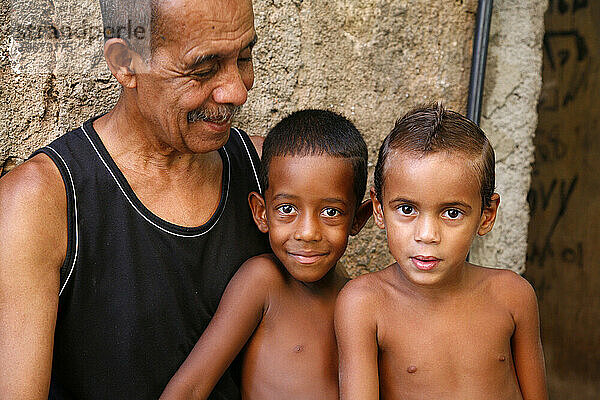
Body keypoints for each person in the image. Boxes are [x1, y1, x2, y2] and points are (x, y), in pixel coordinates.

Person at [0, 0, 272, 398]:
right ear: (126, 61)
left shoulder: (274, 179)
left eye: (244, 56)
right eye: (203, 69)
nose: (237, 90)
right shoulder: (39, 203)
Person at [334, 103, 548, 400]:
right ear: (379, 210)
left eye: (451, 213)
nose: (427, 235)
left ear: (486, 215)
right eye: (407, 209)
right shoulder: (365, 304)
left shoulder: (513, 295)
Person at [159, 109, 372, 400]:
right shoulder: (263, 282)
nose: (307, 232)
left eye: (331, 212)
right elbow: (191, 388)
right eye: (287, 209)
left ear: (357, 220)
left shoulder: (355, 296)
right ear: (262, 213)